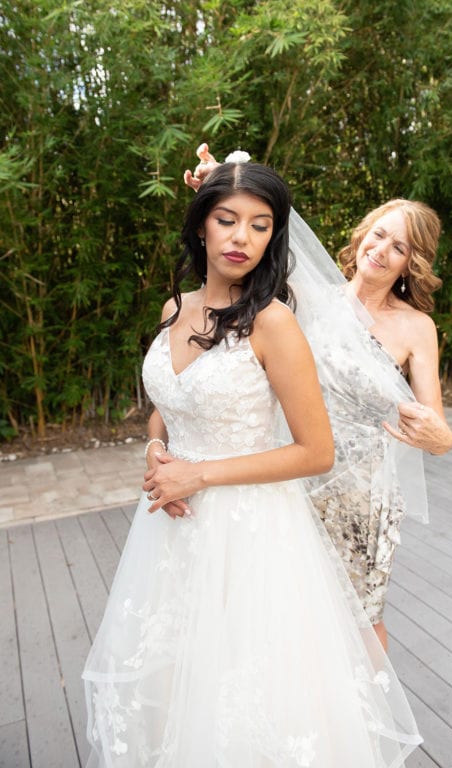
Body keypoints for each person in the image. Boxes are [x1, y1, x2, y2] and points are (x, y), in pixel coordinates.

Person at [83, 160, 421, 766]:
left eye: (260, 226)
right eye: (226, 220)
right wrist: (157, 452)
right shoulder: (172, 309)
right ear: (201, 228)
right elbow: (168, 408)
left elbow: (317, 451)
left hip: (252, 533)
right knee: (174, 685)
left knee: (245, 693)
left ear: (273, 239)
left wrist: (200, 473)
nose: (241, 237)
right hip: (170, 526)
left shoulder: (272, 322)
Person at [177, 144, 452, 651]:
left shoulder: (418, 328)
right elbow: (267, 235)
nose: (382, 250)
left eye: (399, 247)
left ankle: (371, 726)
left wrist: (440, 438)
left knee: (361, 618)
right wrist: (223, 181)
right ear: (362, 235)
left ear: (410, 263)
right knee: (288, 612)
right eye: (379, 234)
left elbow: (434, 427)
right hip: (289, 482)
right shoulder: (307, 297)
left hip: (362, 496)